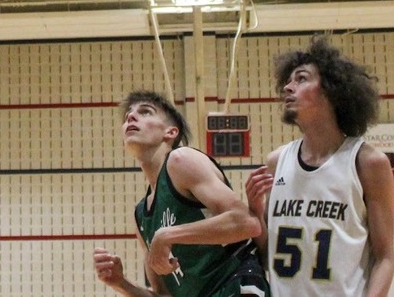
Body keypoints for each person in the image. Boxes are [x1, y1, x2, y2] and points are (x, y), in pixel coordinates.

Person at [245, 35, 394, 297]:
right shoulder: (277, 161)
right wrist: (256, 213)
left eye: (301, 79)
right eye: (288, 81)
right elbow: (269, 253)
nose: (288, 88)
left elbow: (384, 258)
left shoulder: (367, 163)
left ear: (331, 90)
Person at [93, 91, 269, 297]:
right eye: (128, 116)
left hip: (233, 285)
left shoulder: (181, 160)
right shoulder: (140, 214)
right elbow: (165, 295)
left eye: (145, 112)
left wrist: (167, 234)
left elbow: (247, 223)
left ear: (170, 132)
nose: (131, 117)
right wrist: (121, 283)